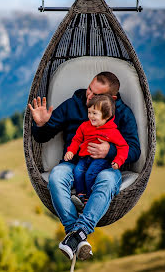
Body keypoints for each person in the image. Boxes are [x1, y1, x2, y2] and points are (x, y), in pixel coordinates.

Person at [28, 71, 140, 261]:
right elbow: (42, 136)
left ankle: (75, 234)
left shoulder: (123, 113)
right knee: (56, 177)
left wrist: (110, 151)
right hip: (73, 165)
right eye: (89, 89)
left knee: (106, 180)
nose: (89, 96)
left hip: (106, 168)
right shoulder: (73, 104)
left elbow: (134, 149)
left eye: (96, 95)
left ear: (110, 98)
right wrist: (41, 125)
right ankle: (77, 234)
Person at [64, 94, 129, 205]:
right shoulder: (85, 126)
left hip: (101, 160)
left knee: (90, 174)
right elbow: (77, 140)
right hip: (85, 158)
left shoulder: (112, 131)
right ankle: (81, 195)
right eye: (89, 112)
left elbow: (123, 147)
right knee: (78, 171)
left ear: (106, 116)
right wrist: (71, 151)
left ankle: (89, 198)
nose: (90, 116)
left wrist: (118, 161)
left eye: (95, 113)